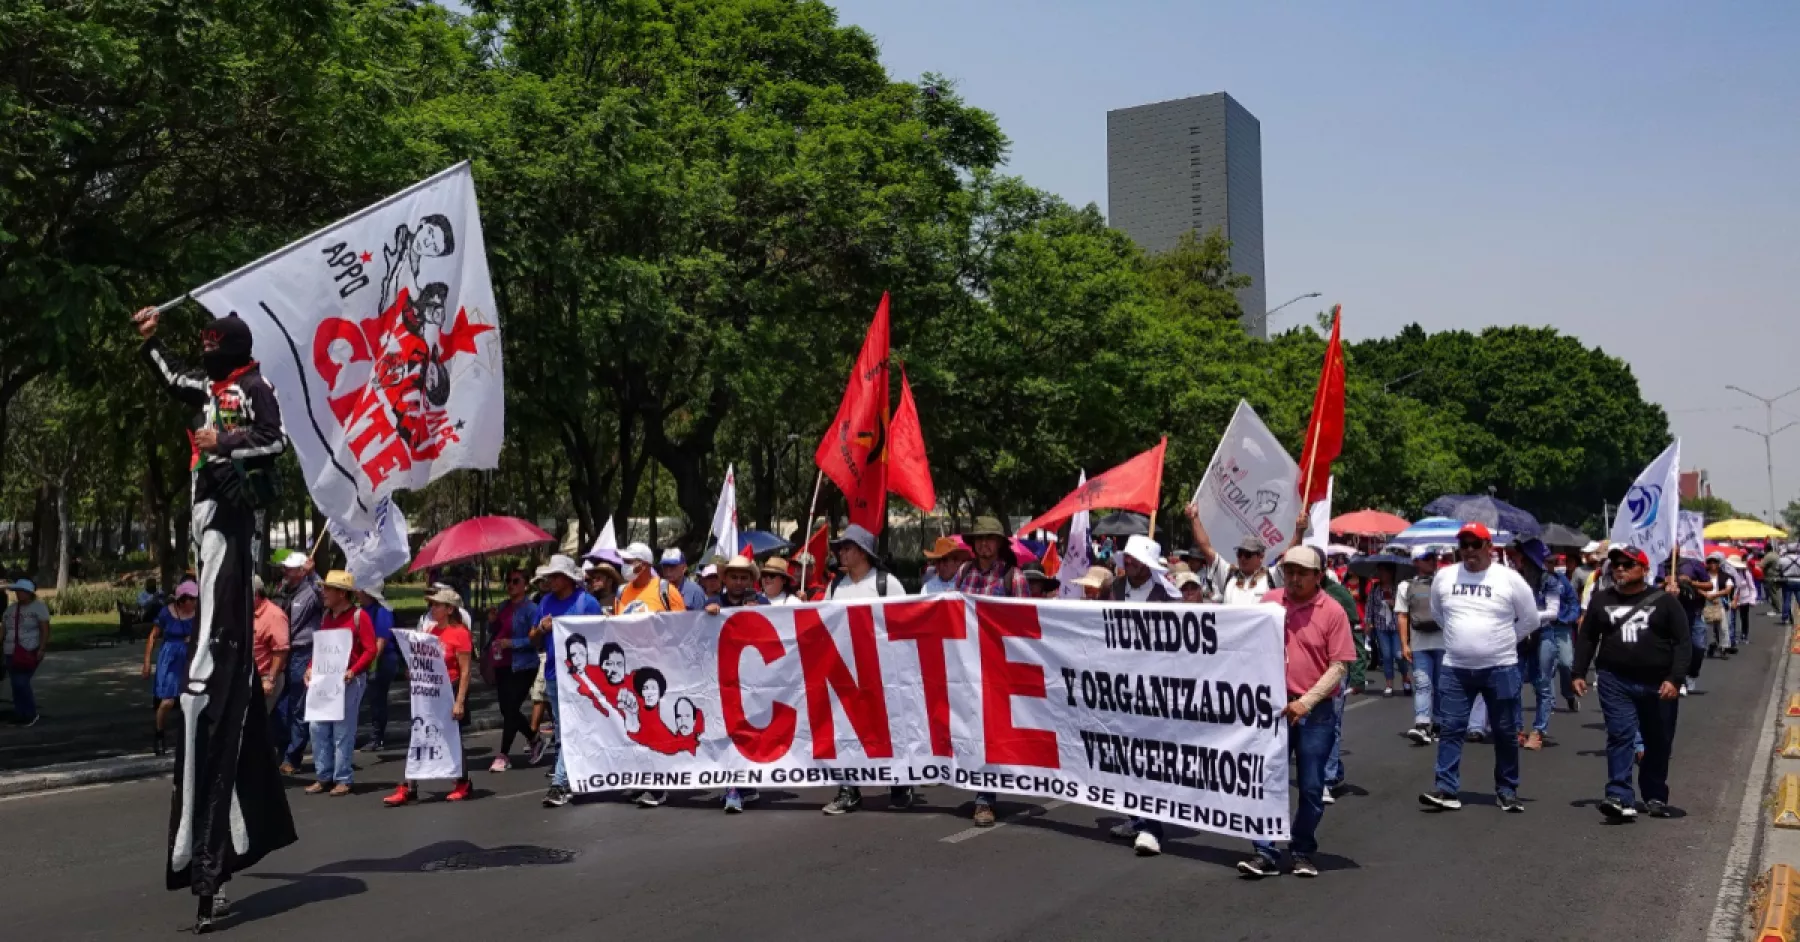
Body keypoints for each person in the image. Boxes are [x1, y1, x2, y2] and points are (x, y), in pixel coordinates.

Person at [134, 305, 295, 925]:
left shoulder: (255, 388)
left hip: (232, 514)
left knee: (215, 656)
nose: (207, 356)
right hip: (204, 518)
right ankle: (216, 854)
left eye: (213, 346)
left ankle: (210, 858)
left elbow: (276, 439)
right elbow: (173, 380)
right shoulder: (209, 386)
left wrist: (222, 442)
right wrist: (151, 343)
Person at [1235, 546, 1356, 879]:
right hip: (1273, 708)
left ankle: (1301, 848)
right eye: (1289, 571)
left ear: (1319, 576)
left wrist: (1307, 701)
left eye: (1303, 572)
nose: (1294, 578)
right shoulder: (1271, 602)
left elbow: (1339, 665)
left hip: (1314, 711)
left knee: (1312, 786)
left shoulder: (1332, 611)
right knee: (1265, 780)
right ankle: (1265, 851)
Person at [1419, 523, 1542, 814]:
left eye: (1476, 545)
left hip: (1500, 667)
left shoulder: (1509, 579)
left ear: (1490, 548)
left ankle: (1507, 790)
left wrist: (1503, 640)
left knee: (1505, 731)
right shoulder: (1445, 577)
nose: (1470, 551)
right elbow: (1438, 613)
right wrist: (1462, 638)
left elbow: (1531, 620)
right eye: (1464, 545)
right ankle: (1446, 788)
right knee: (1450, 728)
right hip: (1456, 668)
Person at [1572, 545, 1692, 820]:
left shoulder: (1665, 601)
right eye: (1616, 565)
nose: (1620, 569)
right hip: (1616, 680)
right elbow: (1588, 637)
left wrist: (1675, 679)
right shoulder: (1601, 599)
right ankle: (1619, 795)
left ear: (1644, 569)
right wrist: (1578, 672)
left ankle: (1654, 795)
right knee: (1620, 735)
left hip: (1658, 684)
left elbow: (1683, 643)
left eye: (1628, 564)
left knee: (1658, 742)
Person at [821, 524, 913, 817]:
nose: (841, 553)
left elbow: (902, 626)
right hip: (845, 672)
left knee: (889, 726)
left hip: (882, 670)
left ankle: (899, 781)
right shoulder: (836, 586)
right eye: (840, 548)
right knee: (846, 729)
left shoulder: (887, 584)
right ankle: (849, 789)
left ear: (862, 552)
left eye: (846, 547)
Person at [385, 587, 476, 806]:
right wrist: (414, 671)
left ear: (449, 609)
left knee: (450, 737)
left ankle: (462, 782)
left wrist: (460, 702)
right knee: (419, 733)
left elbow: (465, 671)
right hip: (430, 693)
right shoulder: (433, 631)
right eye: (432, 604)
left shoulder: (461, 634)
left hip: (451, 690)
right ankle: (409, 785)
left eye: (437, 604)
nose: (432, 608)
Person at [533, 554, 607, 808]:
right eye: (549, 576)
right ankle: (570, 778)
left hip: (582, 677)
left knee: (573, 728)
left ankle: (560, 782)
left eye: (555, 576)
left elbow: (601, 637)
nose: (550, 580)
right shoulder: (545, 602)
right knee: (564, 729)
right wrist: (541, 628)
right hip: (555, 674)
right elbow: (533, 636)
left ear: (567, 579)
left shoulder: (587, 603)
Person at [305, 571, 377, 797]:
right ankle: (324, 775)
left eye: (328, 589)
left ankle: (343, 777)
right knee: (317, 727)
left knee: (342, 731)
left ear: (342, 593)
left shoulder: (359, 616)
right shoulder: (327, 616)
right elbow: (322, 648)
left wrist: (353, 671)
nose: (323, 593)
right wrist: (310, 667)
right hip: (326, 680)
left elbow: (370, 649)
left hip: (349, 681)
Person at [1518, 539, 1578, 750]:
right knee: (1513, 683)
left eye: (1523, 558)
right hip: (1519, 635)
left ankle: (1538, 731)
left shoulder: (1551, 581)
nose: (1519, 562)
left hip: (1544, 633)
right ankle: (1517, 728)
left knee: (1543, 682)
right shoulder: (1514, 580)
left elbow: (1552, 612)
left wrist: (1530, 615)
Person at [488, 568, 541, 772]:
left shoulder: (531, 609)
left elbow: (535, 639)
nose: (510, 585)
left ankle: (503, 754)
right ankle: (534, 738)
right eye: (508, 581)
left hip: (524, 665)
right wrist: (492, 623)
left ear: (525, 585)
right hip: (502, 663)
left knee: (510, 708)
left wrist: (513, 644)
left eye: (515, 581)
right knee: (506, 709)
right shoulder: (502, 606)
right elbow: (494, 633)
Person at [274, 552, 322, 774]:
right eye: (285, 568)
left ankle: (293, 757)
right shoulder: (282, 590)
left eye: (290, 569)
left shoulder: (311, 591)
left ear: (301, 571)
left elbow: (325, 596)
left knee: (298, 706)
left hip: (303, 652)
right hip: (285, 652)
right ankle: (282, 750)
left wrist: (314, 575)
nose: (285, 572)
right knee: (281, 706)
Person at [144, 581, 200, 755]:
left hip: (189, 659)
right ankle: (159, 733)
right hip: (169, 659)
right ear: (182, 600)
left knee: (188, 700)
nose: (195, 602)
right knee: (167, 700)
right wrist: (147, 662)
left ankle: (188, 739)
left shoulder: (198, 614)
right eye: (191, 598)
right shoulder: (166, 613)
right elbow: (153, 636)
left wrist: (194, 639)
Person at [1399, 547, 1448, 744]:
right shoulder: (1405, 586)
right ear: (1416, 562)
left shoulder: (1444, 583)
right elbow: (1402, 616)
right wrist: (1404, 644)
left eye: (1433, 557)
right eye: (1426, 558)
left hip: (1444, 642)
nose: (1432, 561)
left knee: (1441, 686)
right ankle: (1421, 724)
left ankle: (1439, 724)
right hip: (1419, 644)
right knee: (1422, 684)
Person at [355, 581, 398, 751]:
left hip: (382, 660)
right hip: (368, 661)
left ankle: (377, 736)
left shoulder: (383, 611)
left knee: (377, 698)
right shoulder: (363, 610)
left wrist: (371, 665)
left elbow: (381, 640)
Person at [3, 579, 51, 726]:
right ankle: (20, 713)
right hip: (10, 650)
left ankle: (30, 713)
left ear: (29, 593)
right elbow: (4, 628)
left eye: (21, 591)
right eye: (16, 591)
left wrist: (42, 648)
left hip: (29, 650)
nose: (18, 594)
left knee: (21, 682)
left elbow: (45, 629)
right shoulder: (11, 609)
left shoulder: (38, 607)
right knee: (15, 684)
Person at [250, 578, 290, 728]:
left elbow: (281, 651)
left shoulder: (274, 615)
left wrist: (270, 680)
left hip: (265, 677)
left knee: (256, 723)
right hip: (248, 678)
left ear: (256, 594)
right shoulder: (246, 612)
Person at [1366, 563, 1408, 698]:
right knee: (1386, 655)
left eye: (1384, 571)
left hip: (1396, 627)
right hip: (1381, 626)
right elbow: (1370, 606)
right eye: (1379, 571)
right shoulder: (1375, 589)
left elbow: (1405, 607)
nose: (1381, 574)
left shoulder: (1398, 588)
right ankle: (1389, 684)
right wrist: (1368, 622)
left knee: (1399, 655)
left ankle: (1406, 678)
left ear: (1390, 573)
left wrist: (1394, 604)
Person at [1108, 534, 1177, 603]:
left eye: (1135, 558)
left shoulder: (1164, 595)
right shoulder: (1114, 587)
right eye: (1126, 556)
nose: (1127, 561)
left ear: (1149, 565)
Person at [1699, 552, 1736, 656]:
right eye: (1710, 562)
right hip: (1706, 602)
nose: (1712, 564)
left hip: (1720, 602)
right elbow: (1697, 587)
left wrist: (1715, 595)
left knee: (1723, 627)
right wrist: (1706, 595)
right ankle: (1711, 645)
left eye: (1715, 562)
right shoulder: (1703, 576)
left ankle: (1724, 647)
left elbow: (1728, 589)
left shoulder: (1726, 576)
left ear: (1719, 564)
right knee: (1708, 626)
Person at [1729, 554, 1757, 648]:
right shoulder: (1729, 574)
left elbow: (1752, 587)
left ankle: (1744, 634)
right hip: (1732, 598)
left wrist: (1752, 599)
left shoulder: (1745, 573)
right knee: (1731, 619)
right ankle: (1731, 636)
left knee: (1744, 617)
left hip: (1744, 598)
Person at [1776, 544, 1800, 627]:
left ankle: (1785, 618)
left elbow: (1778, 569)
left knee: (1786, 600)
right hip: (1798, 581)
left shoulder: (1782, 560)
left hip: (1787, 581)